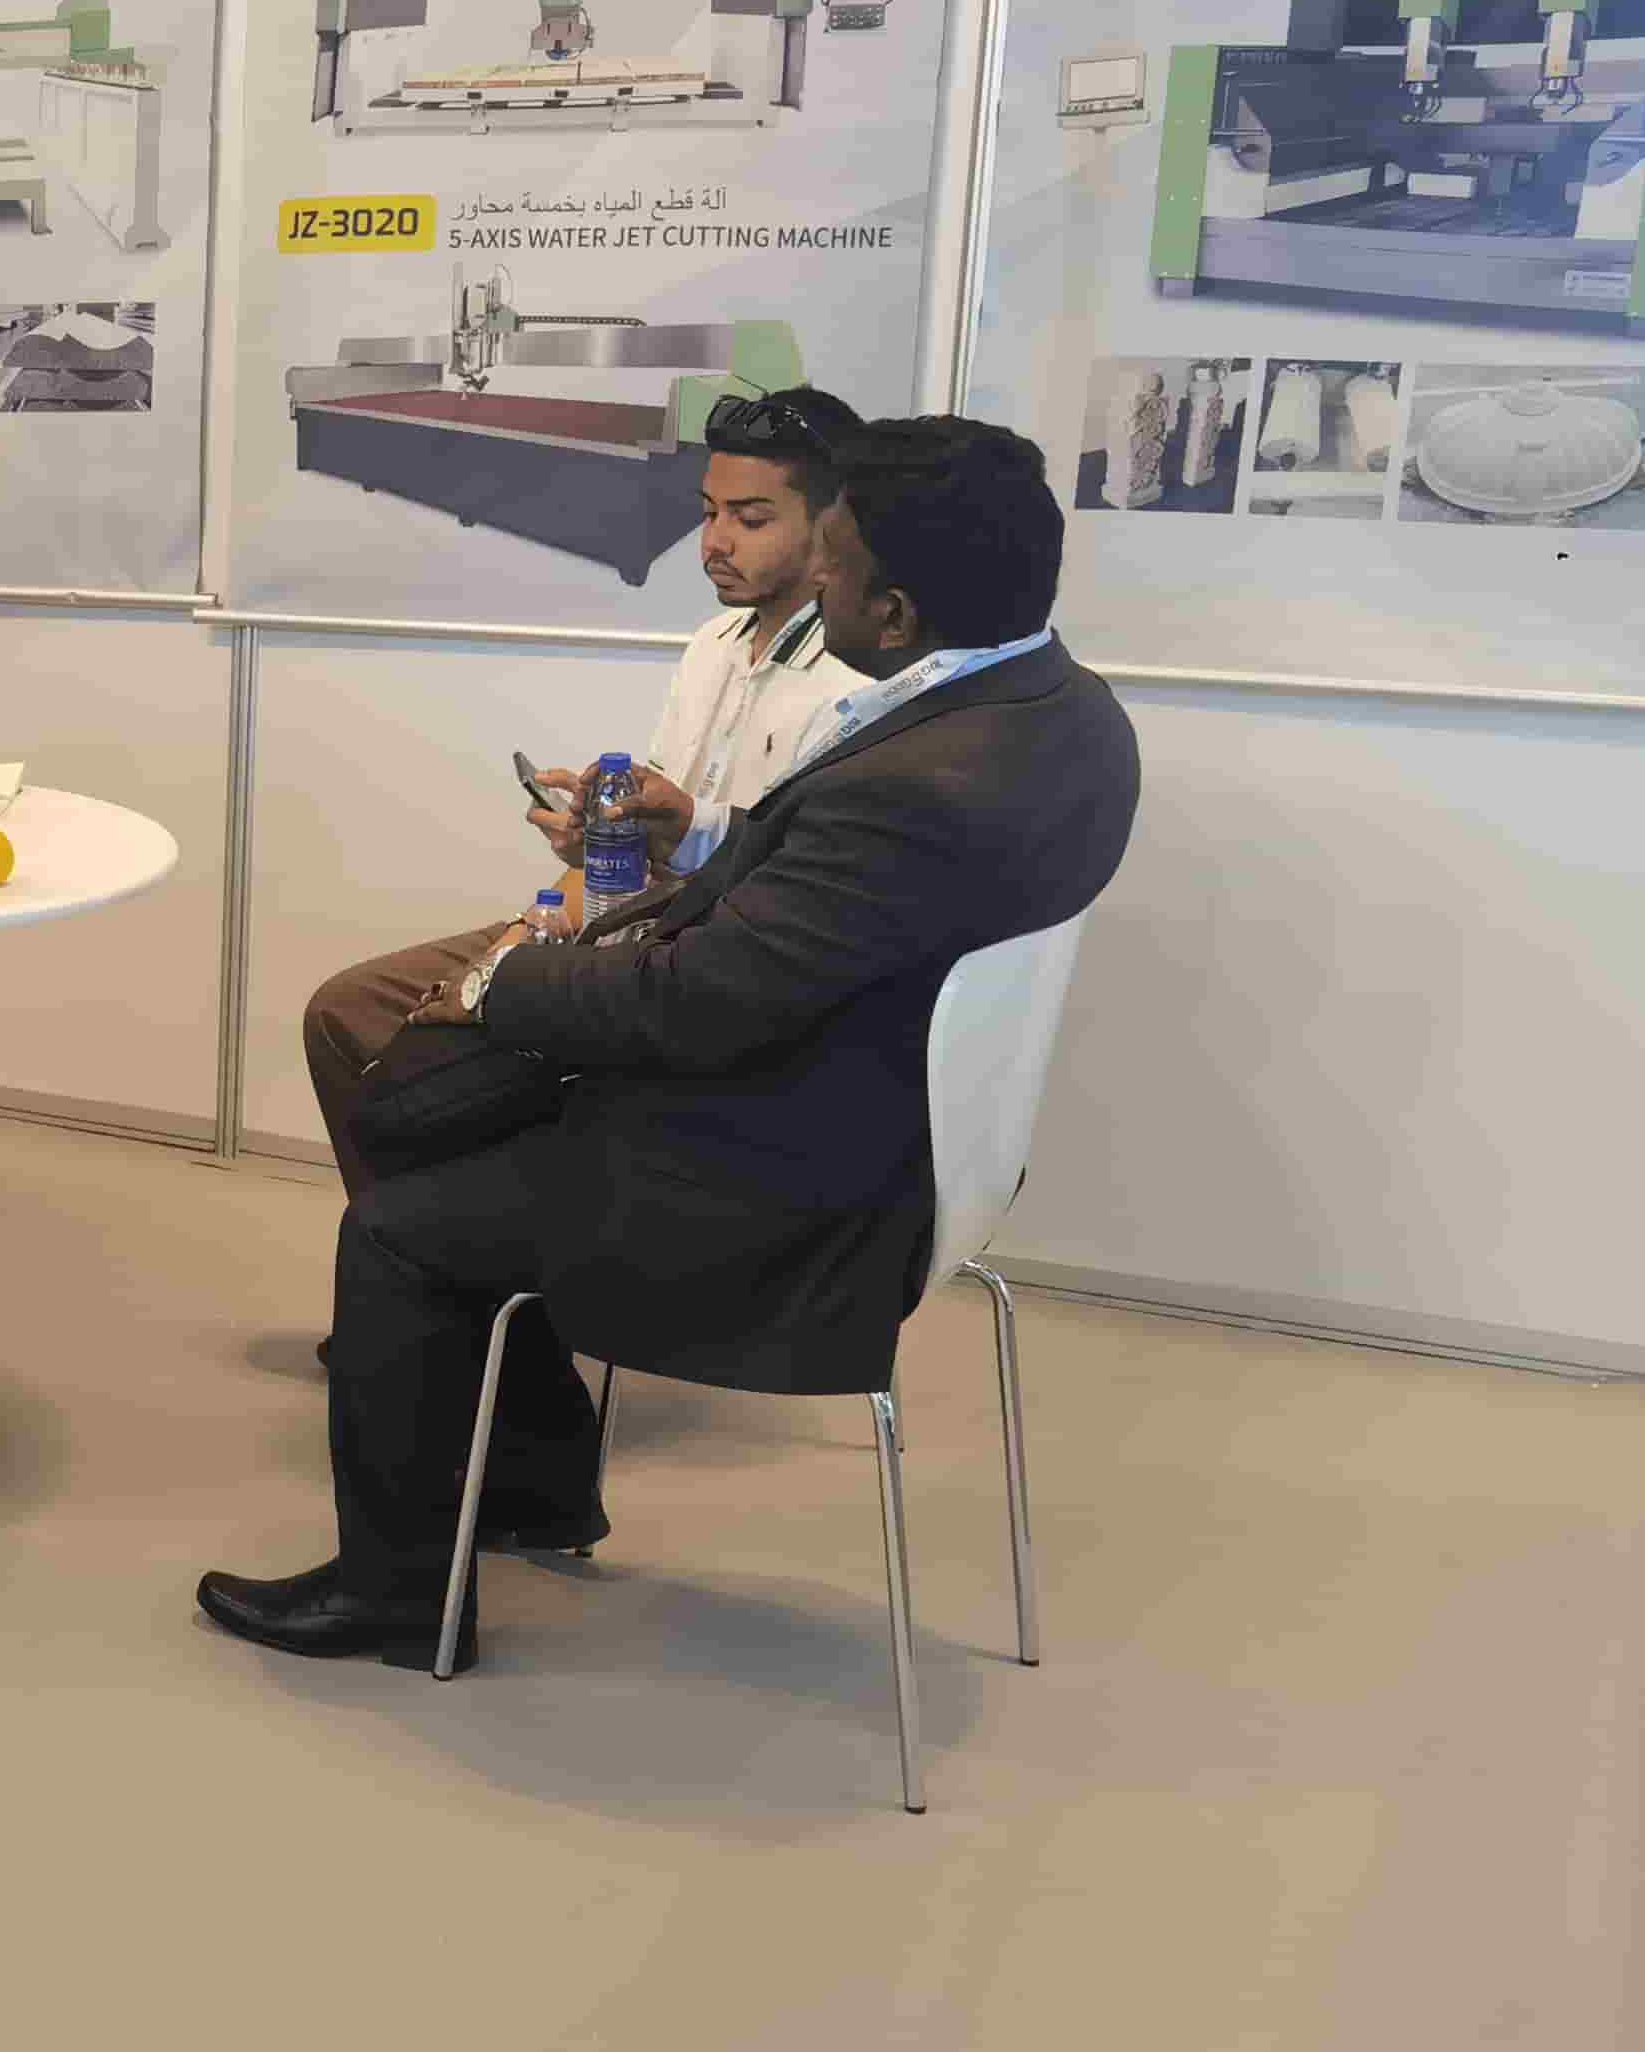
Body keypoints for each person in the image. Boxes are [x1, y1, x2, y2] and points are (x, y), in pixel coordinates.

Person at [201, 419, 1141, 1666]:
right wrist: (683, 864)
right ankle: (530, 1485)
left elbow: (694, 1008)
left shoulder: (917, 780)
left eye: (835, 562)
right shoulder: (1058, 710)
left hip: (796, 1194)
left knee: (400, 1221)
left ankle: (395, 1594)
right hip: (905, 1133)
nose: (815, 579)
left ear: (896, 609)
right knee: (433, 1114)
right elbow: (816, 899)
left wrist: (507, 981)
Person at [302, 385, 870, 1193]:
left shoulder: (857, 685)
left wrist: (515, 966)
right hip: (614, 917)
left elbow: (782, 892)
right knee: (347, 1014)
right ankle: (414, 1247)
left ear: (834, 526)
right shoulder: (713, 644)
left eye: (750, 520)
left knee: (440, 1065)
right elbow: (650, 847)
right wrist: (591, 849)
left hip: (684, 968)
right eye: (708, 513)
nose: (713, 541)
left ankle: (450, 1241)